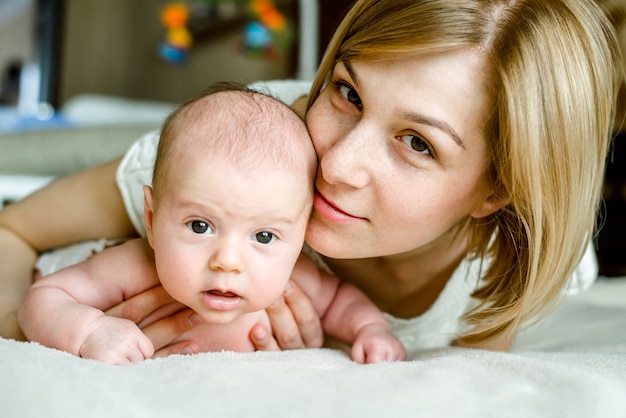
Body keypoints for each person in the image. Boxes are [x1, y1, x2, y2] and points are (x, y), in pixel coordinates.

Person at [0, 0, 621, 355]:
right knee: (59, 136)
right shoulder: (237, 155)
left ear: (497, 189)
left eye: (417, 143)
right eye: (348, 91)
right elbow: (14, 229)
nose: (338, 164)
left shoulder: (520, 264)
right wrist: (47, 326)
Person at [16, 84, 406, 364]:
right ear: (151, 220)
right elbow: (43, 296)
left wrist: (371, 329)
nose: (228, 261)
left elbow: (341, 301)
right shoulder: (134, 267)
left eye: (265, 236)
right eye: (200, 226)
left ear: (302, 234)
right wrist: (88, 332)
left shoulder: (294, 281)